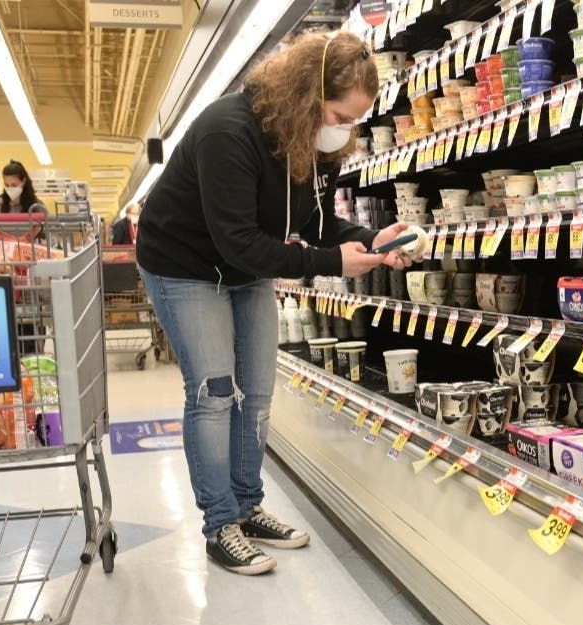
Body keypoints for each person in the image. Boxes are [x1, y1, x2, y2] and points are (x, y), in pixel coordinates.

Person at [136, 30, 417, 576]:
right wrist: (334, 264)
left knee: (258, 390)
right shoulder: (228, 132)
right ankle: (220, 523)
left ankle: (246, 504)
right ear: (306, 97)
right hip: (184, 265)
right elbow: (237, 241)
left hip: (246, 266)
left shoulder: (311, 142)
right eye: (339, 115)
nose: (345, 130)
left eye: (354, 120)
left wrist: (368, 237)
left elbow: (311, 220)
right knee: (215, 391)